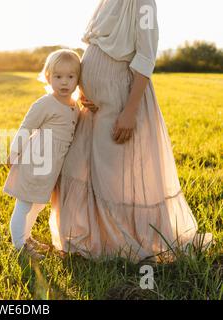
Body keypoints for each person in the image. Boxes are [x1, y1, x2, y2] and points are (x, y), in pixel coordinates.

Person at [49, 0, 213, 262]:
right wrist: (82, 87)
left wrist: (130, 111)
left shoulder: (144, 4)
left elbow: (146, 57)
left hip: (120, 101)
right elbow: (95, 48)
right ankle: (88, 238)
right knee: (78, 167)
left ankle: (120, 244)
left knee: (112, 175)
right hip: (92, 106)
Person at [3, 49, 81, 260]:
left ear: (78, 79)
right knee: (25, 203)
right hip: (34, 162)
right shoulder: (45, 103)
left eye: (70, 77)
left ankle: (26, 237)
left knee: (36, 204)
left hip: (50, 167)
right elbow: (26, 128)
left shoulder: (74, 106)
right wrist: (14, 152)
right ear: (48, 77)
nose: (64, 82)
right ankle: (19, 246)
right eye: (58, 77)